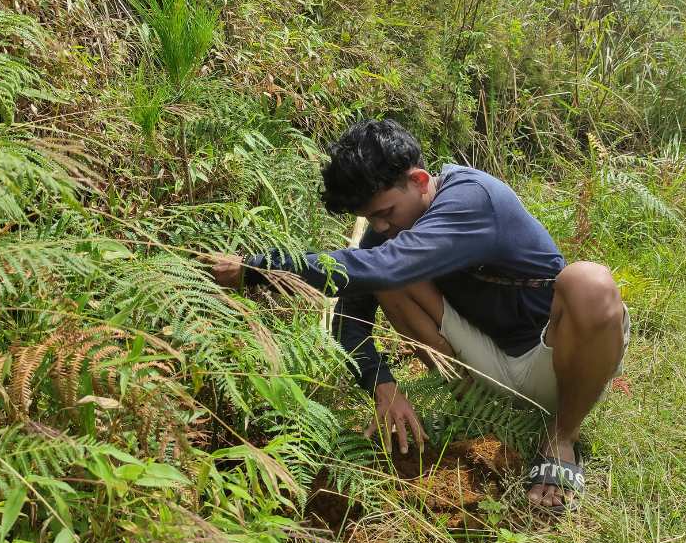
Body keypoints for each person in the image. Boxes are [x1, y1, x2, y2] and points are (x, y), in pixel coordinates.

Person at [207, 118, 630, 512]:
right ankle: (481, 410)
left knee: (588, 281)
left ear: (420, 180)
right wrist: (383, 386)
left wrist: (259, 268)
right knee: (381, 274)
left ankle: (561, 438)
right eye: (370, 218)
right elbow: (350, 318)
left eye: (385, 212)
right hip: (485, 370)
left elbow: (384, 264)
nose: (381, 227)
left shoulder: (471, 199)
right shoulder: (387, 233)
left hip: (559, 364)